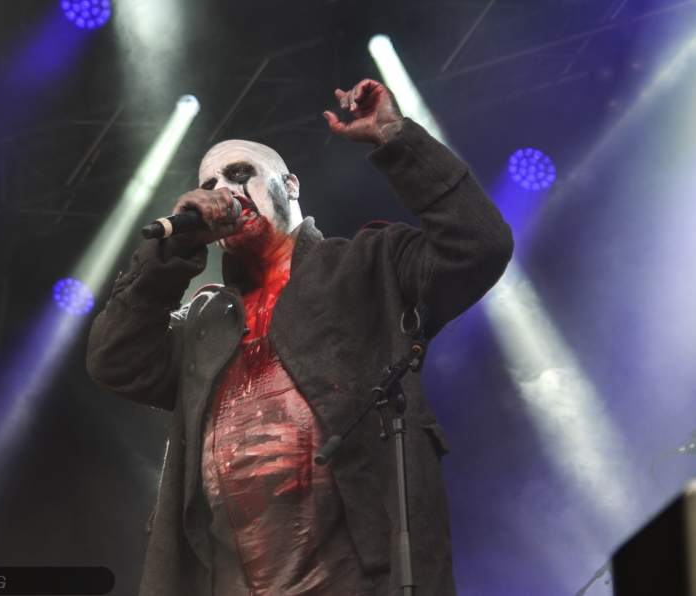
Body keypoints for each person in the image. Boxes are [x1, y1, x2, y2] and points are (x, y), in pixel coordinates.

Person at [87, 79, 513, 596]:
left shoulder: (365, 265)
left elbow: (479, 244)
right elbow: (114, 360)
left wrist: (397, 137)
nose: (223, 189)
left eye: (240, 174)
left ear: (289, 186)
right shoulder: (205, 319)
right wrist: (171, 255)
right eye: (211, 182)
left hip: (359, 580)